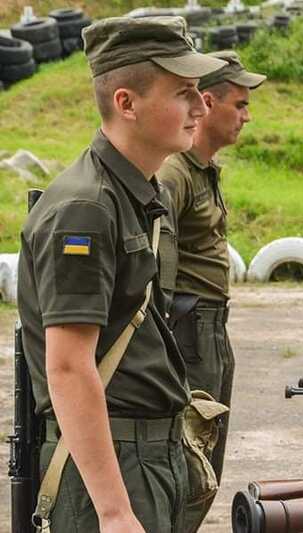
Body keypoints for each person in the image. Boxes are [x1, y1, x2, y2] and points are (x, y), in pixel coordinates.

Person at [15, 16, 225, 533]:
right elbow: (68, 367)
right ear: (126, 103)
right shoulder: (86, 208)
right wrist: (113, 510)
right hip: (112, 465)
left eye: (199, 92)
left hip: (146, 454)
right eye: (183, 93)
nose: (201, 107)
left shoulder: (133, 193)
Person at [157, 50, 266, 527]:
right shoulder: (174, 172)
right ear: (207, 101)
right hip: (188, 329)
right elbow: (158, 269)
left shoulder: (202, 169)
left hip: (210, 328)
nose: (246, 116)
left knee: (206, 461)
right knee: (190, 460)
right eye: (239, 104)